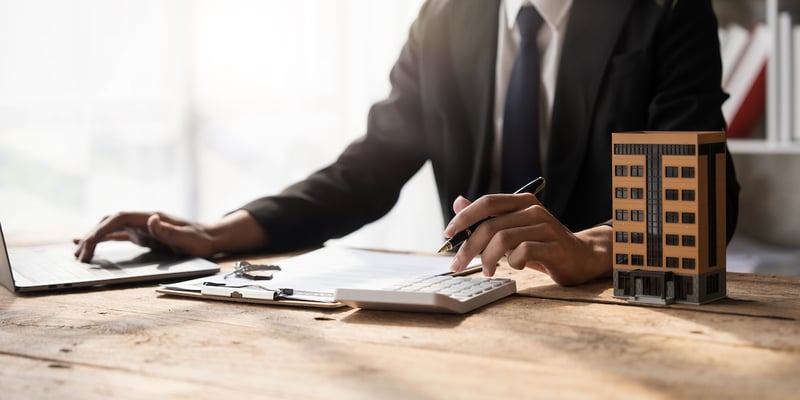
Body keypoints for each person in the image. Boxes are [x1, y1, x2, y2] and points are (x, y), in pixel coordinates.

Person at [74, 0, 740, 286]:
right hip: (473, 303)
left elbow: (706, 204)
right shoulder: (445, 18)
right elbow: (366, 172)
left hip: (615, 316)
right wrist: (214, 234)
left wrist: (586, 251)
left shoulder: (669, 12)